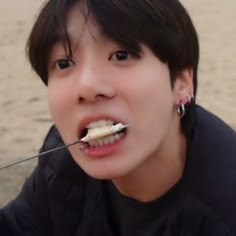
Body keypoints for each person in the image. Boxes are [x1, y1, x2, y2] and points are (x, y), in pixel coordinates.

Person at [1, 0, 236, 235]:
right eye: (64, 63)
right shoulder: (62, 160)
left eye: (121, 55)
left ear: (182, 83)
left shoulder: (224, 207)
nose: (87, 86)